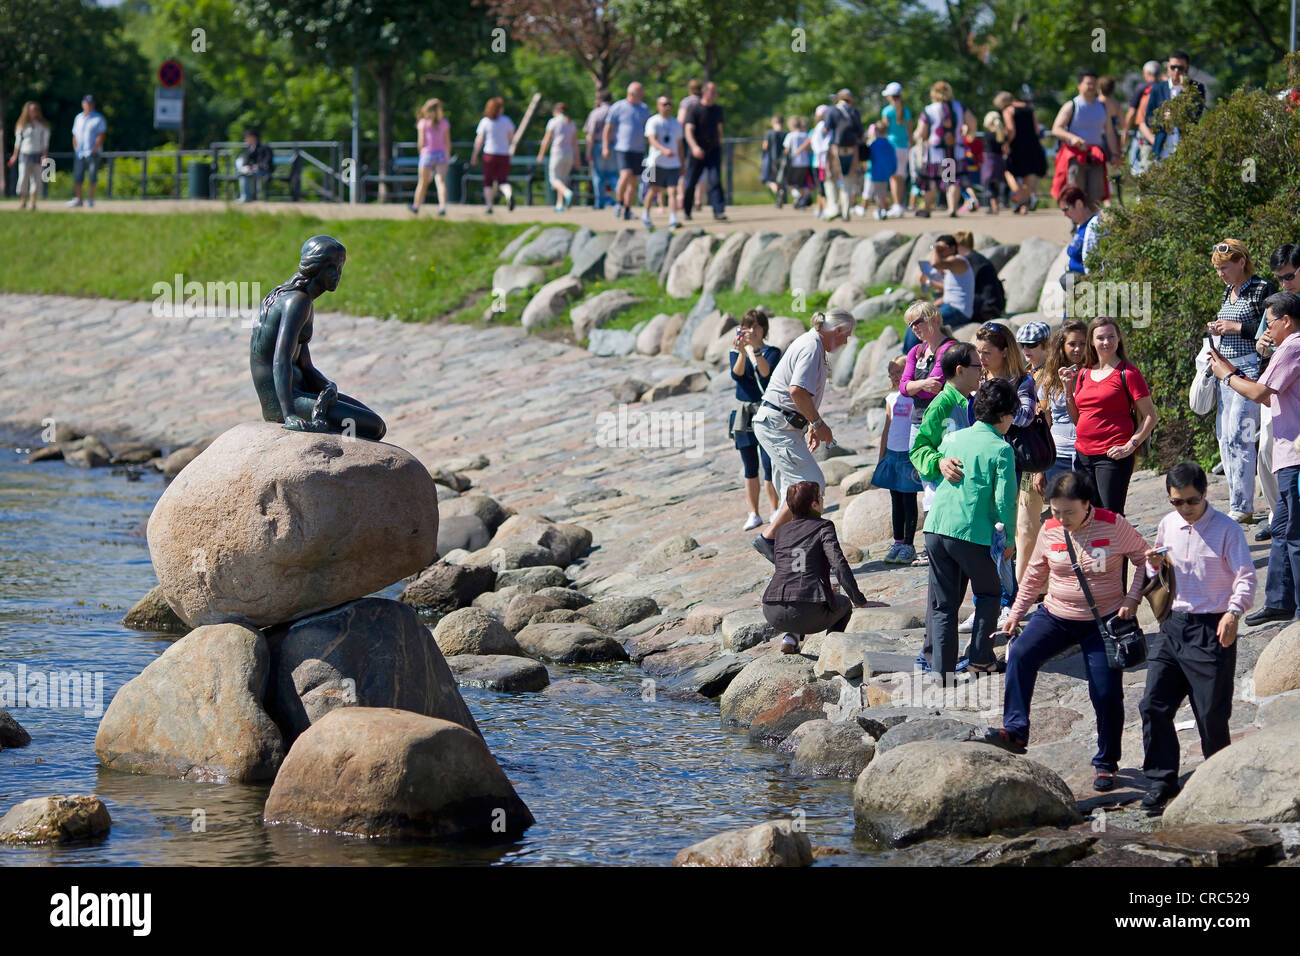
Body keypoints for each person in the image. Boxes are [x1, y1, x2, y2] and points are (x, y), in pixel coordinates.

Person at [982, 470, 1150, 791]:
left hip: (1103, 621)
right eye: (1056, 511)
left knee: (1106, 692)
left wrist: (1132, 598)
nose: (1061, 518)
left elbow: (1145, 560)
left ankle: (1106, 763)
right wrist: (1015, 614)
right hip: (1056, 615)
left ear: (1087, 504)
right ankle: (1015, 730)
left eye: (1068, 512)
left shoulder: (1113, 525)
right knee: (1020, 654)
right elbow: (1033, 574)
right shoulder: (1050, 529)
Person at [1139, 461, 1256, 810]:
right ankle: (1161, 780)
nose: (1185, 509)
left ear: (1204, 493)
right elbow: (1155, 565)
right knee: (1153, 704)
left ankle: (1219, 778)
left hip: (1212, 627)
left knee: (1210, 714)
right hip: (1174, 625)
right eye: (1177, 502)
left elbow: (1246, 577)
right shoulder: (1168, 525)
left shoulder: (1227, 530)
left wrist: (1234, 613)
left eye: (1191, 501)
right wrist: (1152, 564)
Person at [1209, 292, 1300, 626]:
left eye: (1270, 322)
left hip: (1295, 454)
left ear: (1286, 321)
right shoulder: (1287, 348)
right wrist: (1231, 370)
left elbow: (1260, 394)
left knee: (1294, 533)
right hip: (1287, 453)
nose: (1266, 329)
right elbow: (1263, 393)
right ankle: (1279, 600)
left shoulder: (1292, 346)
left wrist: (1225, 376)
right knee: (1280, 528)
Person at [921, 379, 1019, 679]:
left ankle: (942, 673)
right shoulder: (1002, 449)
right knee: (990, 593)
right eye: (1012, 414)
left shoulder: (952, 439)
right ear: (1004, 416)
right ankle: (980, 659)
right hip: (969, 532)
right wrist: (1010, 539)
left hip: (936, 528)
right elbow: (1006, 501)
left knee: (943, 605)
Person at [751, 310, 857, 561]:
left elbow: (802, 394)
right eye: (847, 336)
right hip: (778, 425)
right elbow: (797, 391)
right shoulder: (811, 347)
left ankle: (793, 553)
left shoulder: (814, 345)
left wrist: (810, 425)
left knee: (795, 490)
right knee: (811, 485)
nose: (846, 342)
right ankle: (769, 539)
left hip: (783, 424)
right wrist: (818, 424)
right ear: (837, 330)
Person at [1206, 238, 1275, 524]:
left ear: (1241, 262)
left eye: (1225, 267)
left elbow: (1269, 332)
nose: (1221, 273)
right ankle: (1238, 501)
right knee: (1225, 438)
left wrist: (1236, 327)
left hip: (1249, 369)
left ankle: (1243, 505)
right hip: (1225, 369)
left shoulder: (1261, 289)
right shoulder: (1228, 292)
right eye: (1218, 269)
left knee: (1241, 436)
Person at [762, 481, 869, 654]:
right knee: (843, 604)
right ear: (814, 504)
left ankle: (791, 637)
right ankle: (831, 651)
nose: (823, 499)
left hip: (772, 610)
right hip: (806, 612)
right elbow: (838, 564)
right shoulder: (823, 526)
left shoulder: (782, 531)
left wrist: (824, 589)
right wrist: (859, 600)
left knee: (800, 594)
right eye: (820, 496)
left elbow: (788, 568)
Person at [1066, 316, 1157, 515]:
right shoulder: (1083, 373)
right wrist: (1067, 390)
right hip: (1083, 456)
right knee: (1088, 516)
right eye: (1101, 338)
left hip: (1112, 455)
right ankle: (1097, 548)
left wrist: (1131, 445)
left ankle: (1122, 547)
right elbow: (1078, 419)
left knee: (1111, 517)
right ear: (1091, 341)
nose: (1106, 342)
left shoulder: (1128, 373)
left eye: (1111, 337)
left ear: (1118, 339)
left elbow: (1150, 416)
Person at [1257, 245, 1300, 542]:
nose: (1285, 284)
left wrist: (1229, 376)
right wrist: (1263, 343)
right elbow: (1264, 334)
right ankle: (1279, 514)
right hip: (1277, 382)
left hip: (1286, 387)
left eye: (1289, 276)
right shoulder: (1280, 304)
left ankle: (1287, 518)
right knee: (1267, 451)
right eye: (1280, 278)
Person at [730, 309, 783, 531]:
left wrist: (755, 351)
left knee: (769, 463)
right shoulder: (736, 351)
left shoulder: (772, 351)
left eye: (757, 326)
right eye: (748, 326)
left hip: (765, 410)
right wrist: (743, 351)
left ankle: (775, 509)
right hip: (743, 412)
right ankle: (753, 513)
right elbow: (736, 374)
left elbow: (765, 373)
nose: (752, 330)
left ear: (764, 329)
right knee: (749, 465)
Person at [874, 355, 924, 564]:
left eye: (899, 372)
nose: (895, 377)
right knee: (895, 500)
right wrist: (882, 455)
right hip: (892, 454)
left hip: (908, 454)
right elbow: (887, 428)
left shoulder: (916, 398)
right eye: (892, 374)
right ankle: (898, 541)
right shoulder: (891, 398)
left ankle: (909, 545)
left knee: (908, 499)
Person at [1016, 321, 1054, 583]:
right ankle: (1039, 583)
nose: (1027, 350)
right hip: (1027, 458)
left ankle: (1024, 586)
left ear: (1046, 345)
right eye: (1023, 346)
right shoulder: (1028, 373)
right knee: (1024, 527)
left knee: (1028, 526)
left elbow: (1046, 421)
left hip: (1041, 457)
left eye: (1032, 345)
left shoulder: (1050, 376)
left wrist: (1042, 469)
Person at [1037, 319, 1089, 503]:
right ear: (1062, 346)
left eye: (1083, 344)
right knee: (1062, 510)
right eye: (1072, 344)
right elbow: (1045, 424)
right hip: (1058, 455)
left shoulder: (1094, 373)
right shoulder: (1049, 380)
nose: (1078, 349)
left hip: (1088, 452)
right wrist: (1040, 469)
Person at [1050, 70, 1120, 206]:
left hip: (1096, 155)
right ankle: (1076, 224)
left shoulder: (1103, 107)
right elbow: (1056, 128)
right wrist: (1072, 137)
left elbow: (1110, 132)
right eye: (1088, 83)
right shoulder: (1072, 105)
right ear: (1079, 85)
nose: (1092, 87)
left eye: (1094, 84)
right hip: (1076, 155)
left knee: (1095, 195)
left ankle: (1091, 225)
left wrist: (1115, 153)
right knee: (1075, 193)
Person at [916, 81, 975, 218]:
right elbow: (972, 123)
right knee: (953, 180)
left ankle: (927, 209)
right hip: (955, 152)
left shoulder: (929, 109)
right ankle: (952, 209)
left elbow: (922, 132)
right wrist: (967, 133)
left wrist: (920, 137)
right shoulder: (959, 107)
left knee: (931, 181)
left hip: (935, 154)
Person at [1140, 50, 1206, 163]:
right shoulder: (1158, 88)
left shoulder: (1197, 88)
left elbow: (1196, 116)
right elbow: (1148, 118)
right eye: (1173, 67)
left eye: (1180, 68)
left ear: (1187, 69)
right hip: (1162, 149)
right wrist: (1163, 120)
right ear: (1168, 67)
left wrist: (1186, 90)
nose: (1176, 71)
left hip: (1186, 149)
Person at [603, 82, 651, 221]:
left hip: (638, 149)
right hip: (622, 147)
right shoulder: (618, 107)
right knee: (625, 174)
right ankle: (619, 203)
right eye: (639, 92)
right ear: (631, 93)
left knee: (633, 181)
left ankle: (628, 209)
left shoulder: (644, 108)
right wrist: (606, 146)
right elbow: (608, 128)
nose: (641, 95)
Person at [682, 81, 726, 221]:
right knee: (690, 182)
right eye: (712, 92)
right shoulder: (694, 109)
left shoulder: (717, 110)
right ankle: (687, 210)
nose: (714, 95)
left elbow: (719, 130)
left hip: (713, 150)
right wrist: (694, 147)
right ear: (704, 92)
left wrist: (718, 143)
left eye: (715, 92)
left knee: (715, 180)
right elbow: (688, 131)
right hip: (697, 151)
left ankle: (718, 211)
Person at [641, 94, 684, 230]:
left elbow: (679, 144)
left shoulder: (676, 123)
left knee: (673, 191)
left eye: (669, 104)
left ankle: (673, 219)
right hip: (656, 162)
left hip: (673, 164)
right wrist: (664, 150)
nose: (668, 107)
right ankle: (646, 215)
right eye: (664, 104)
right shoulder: (653, 121)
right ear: (658, 106)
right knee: (654, 190)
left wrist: (682, 162)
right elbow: (651, 140)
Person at [822, 88, 864, 221]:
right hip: (852, 149)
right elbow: (861, 133)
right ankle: (846, 212)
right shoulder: (854, 112)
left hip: (836, 149)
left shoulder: (831, 110)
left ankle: (833, 208)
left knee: (831, 178)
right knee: (848, 179)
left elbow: (825, 129)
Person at [1001, 92, 1046, 214]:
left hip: (1016, 147)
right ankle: (1023, 206)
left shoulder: (1009, 111)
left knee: (1008, 172)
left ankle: (1020, 200)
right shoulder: (1029, 109)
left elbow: (1011, 131)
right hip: (1032, 146)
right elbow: (1037, 130)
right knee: (1027, 177)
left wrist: (1006, 143)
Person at [470, 96, 516, 213]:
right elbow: (511, 137)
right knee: (503, 181)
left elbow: (479, 139)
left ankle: (489, 206)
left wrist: (474, 155)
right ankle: (508, 194)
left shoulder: (485, 122)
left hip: (489, 154)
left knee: (488, 181)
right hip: (504, 154)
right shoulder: (507, 121)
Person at [917, 233, 974, 326]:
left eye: (941, 249)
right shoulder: (951, 267)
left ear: (952, 249)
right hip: (950, 307)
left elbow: (935, 263)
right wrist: (932, 305)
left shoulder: (958, 261)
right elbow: (949, 291)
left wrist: (934, 246)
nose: (939, 253)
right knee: (917, 317)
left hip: (958, 311)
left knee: (920, 322)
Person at [953, 230, 1005, 322]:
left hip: (986, 309)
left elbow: (960, 290)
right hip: (992, 306)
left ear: (956, 246)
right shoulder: (976, 258)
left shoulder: (967, 262)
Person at [411, 99, 450, 215]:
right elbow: (447, 142)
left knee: (422, 182)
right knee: (441, 182)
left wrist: (421, 154)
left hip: (427, 154)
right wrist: (447, 157)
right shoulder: (444, 123)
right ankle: (442, 206)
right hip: (441, 155)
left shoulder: (423, 123)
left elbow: (421, 142)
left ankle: (416, 206)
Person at [8, 102, 50, 211]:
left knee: (36, 180)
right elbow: (18, 142)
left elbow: (45, 142)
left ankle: (32, 202)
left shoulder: (42, 125)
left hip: (37, 154)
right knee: (23, 178)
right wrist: (14, 156)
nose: (34, 112)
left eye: (36, 109)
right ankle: (23, 201)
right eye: (32, 110)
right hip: (25, 154)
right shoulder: (22, 125)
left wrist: (44, 155)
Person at [1058, 185, 1101, 288]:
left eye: (1066, 209)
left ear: (1079, 204)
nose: (1064, 214)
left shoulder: (1094, 226)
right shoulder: (1080, 226)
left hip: (1085, 281)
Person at [537, 102, 577, 213]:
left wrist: (541, 154)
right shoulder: (571, 123)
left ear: (556, 111)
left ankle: (567, 193)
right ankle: (559, 205)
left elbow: (547, 139)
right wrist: (577, 158)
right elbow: (575, 143)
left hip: (557, 153)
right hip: (569, 154)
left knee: (554, 180)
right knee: (562, 180)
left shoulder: (553, 122)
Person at [68, 94, 106, 208]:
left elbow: (101, 135)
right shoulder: (78, 118)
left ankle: (91, 200)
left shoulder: (98, 118)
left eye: (90, 103)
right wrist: (75, 148)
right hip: (79, 153)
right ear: (83, 104)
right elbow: (74, 134)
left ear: (93, 105)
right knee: (77, 177)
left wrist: (95, 149)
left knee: (92, 176)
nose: (88, 105)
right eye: (86, 103)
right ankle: (79, 200)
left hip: (92, 153)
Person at [1124, 61, 1161, 176]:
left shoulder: (1142, 89)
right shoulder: (1164, 88)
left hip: (1145, 136)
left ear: (1148, 73)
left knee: (1142, 168)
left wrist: (1125, 131)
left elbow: (1132, 113)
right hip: (1163, 137)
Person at [583, 89, 618, 210]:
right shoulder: (616, 112)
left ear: (599, 100)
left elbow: (590, 134)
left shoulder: (596, 113)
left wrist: (588, 151)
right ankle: (620, 200)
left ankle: (600, 204)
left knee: (598, 175)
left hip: (598, 145)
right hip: (615, 145)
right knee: (614, 175)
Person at [881, 82, 911, 218]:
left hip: (891, 146)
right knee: (901, 177)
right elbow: (909, 131)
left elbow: (884, 129)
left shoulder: (887, 111)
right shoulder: (906, 111)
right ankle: (900, 204)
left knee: (893, 177)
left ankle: (897, 205)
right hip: (904, 146)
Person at [1097, 76, 1125, 204]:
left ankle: (1106, 199)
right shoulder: (1115, 104)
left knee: (1102, 170)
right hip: (1114, 137)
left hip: (1100, 138)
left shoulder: (1097, 103)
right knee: (1115, 170)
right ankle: (1118, 199)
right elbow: (1123, 124)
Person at [865, 123, 896, 219]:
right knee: (884, 192)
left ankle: (882, 210)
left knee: (878, 194)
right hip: (887, 173)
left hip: (876, 172)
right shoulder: (890, 144)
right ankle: (884, 209)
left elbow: (870, 158)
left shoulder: (874, 145)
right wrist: (893, 170)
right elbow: (893, 159)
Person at [781, 116, 814, 209]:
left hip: (794, 163)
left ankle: (797, 195)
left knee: (790, 183)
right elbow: (810, 150)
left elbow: (787, 149)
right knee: (803, 183)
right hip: (805, 163)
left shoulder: (790, 135)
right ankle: (802, 200)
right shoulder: (806, 135)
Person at [981, 109, 1008, 214]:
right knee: (996, 184)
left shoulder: (987, 134)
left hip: (989, 160)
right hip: (999, 159)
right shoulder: (1002, 134)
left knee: (990, 185)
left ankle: (993, 206)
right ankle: (996, 205)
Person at [235, 127, 273, 203]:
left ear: (253, 137)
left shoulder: (264, 147)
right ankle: (246, 197)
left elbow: (267, 161)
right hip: (252, 171)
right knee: (244, 173)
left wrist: (258, 166)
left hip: (264, 171)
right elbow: (246, 161)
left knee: (245, 174)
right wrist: (247, 166)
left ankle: (246, 197)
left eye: (247, 138)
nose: (245, 140)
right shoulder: (249, 149)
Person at [809, 105, 832, 220]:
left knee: (822, 187)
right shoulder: (824, 126)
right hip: (820, 161)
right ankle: (820, 208)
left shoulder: (821, 126)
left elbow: (818, 145)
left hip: (820, 162)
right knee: (820, 186)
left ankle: (826, 210)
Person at [761, 114, 785, 205]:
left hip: (771, 160)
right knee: (780, 179)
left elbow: (765, 146)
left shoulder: (769, 133)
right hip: (782, 160)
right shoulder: (785, 133)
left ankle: (778, 192)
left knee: (769, 180)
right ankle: (781, 191)